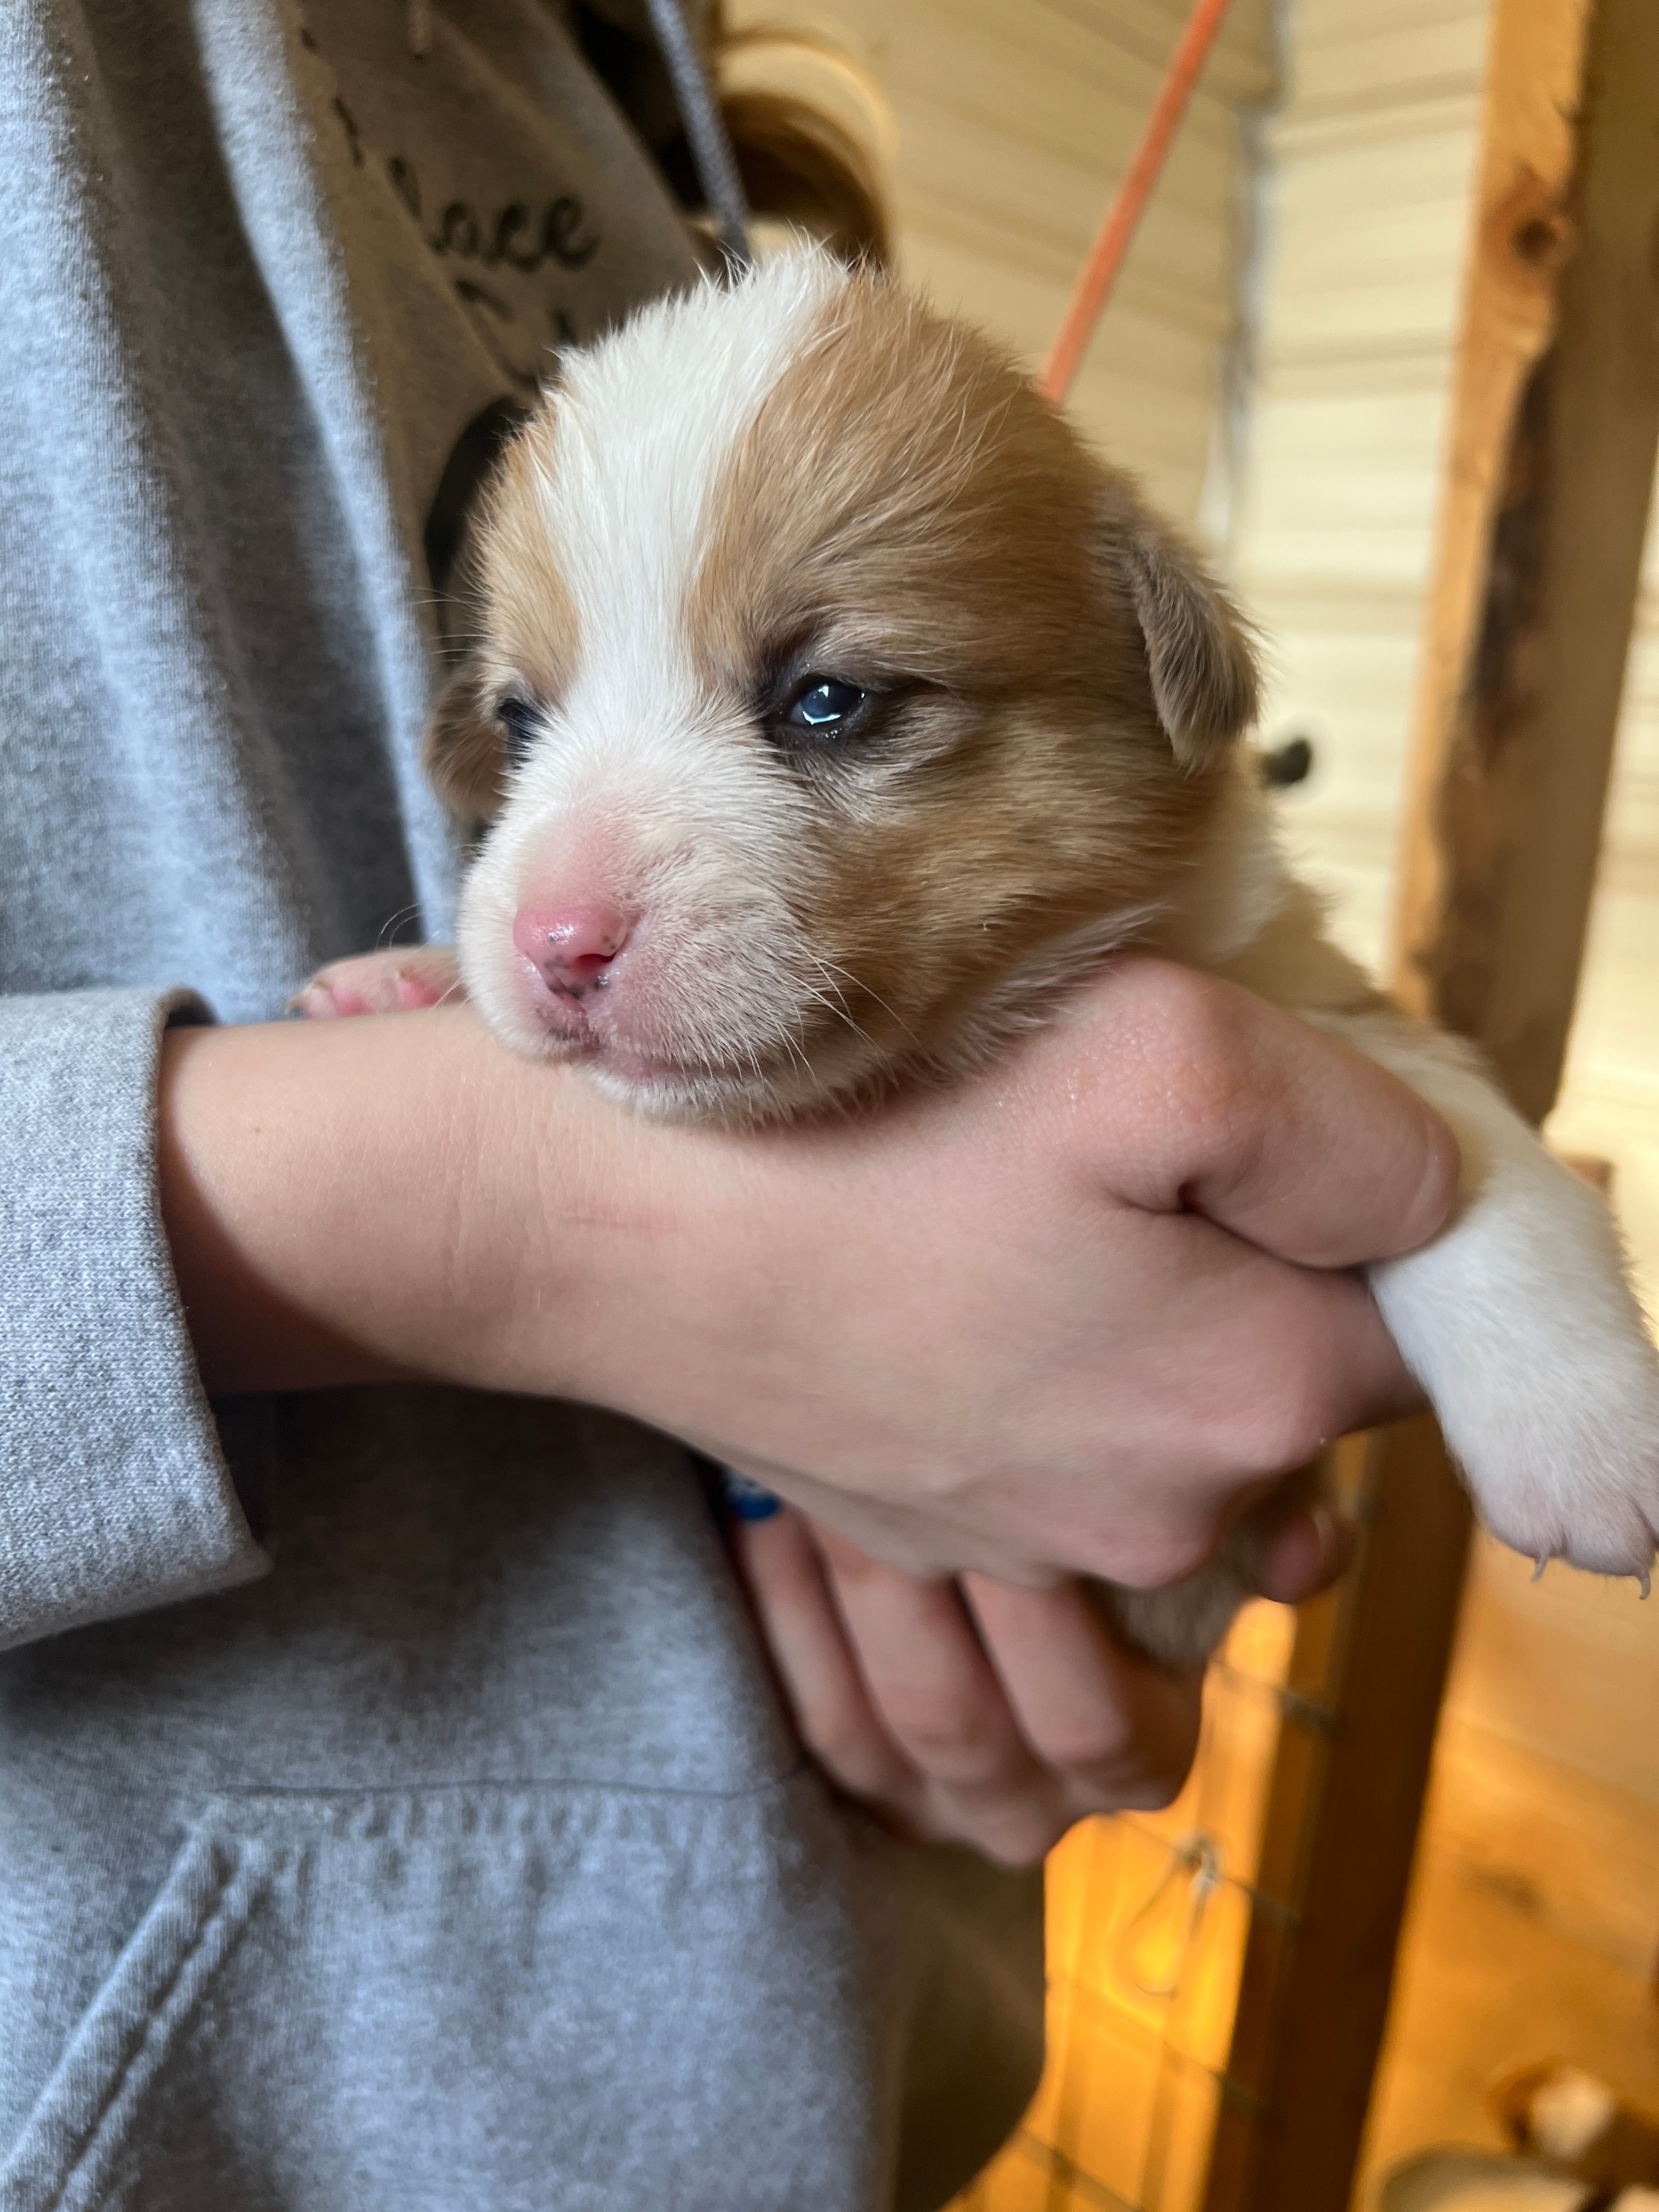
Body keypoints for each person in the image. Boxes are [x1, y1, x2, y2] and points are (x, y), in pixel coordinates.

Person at [0, 3, 1457, 2206]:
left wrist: (1032, 1564)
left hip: (850, 2073)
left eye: (827, 700)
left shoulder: (634, 117)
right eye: (523, 713)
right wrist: (530, 1214)